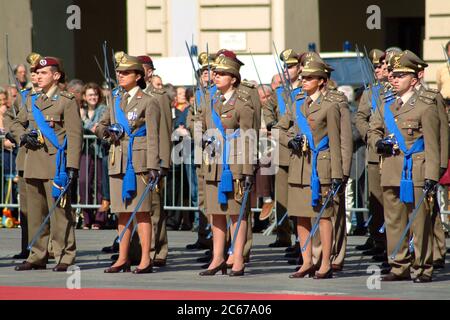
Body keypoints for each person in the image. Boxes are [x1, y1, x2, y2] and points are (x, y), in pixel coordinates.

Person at [368, 50, 440, 283]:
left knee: (419, 221)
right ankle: (399, 265)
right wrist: (378, 143)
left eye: (400, 75)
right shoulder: (386, 102)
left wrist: (432, 175)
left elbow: (433, 143)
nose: (394, 78)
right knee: (394, 220)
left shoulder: (426, 104)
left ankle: (422, 267)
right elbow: (373, 129)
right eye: (393, 74)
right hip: (390, 168)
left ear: (415, 78)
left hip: (416, 170)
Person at [12, 56, 82, 272]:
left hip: (56, 165)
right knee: (35, 214)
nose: (38, 76)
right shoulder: (32, 99)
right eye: (36, 73)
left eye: (43, 73)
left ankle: (64, 255)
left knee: (60, 213)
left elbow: (75, 134)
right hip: (32, 162)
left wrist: (72, 167)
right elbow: (16, 123)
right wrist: (23, 136)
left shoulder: (66, 100)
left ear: (56, 75)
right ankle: (37, 254)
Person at [275, 59, 343, 279]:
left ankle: (325, 262)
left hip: (320, 167)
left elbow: (336, 141)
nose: (304, 81)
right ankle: (306, 261)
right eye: (303, 77)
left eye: (309, 78)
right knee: (301, 216)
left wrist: (337, 175)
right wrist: (289, 140)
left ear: (322, 81)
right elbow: (278, 128)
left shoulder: (330, 106)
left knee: (323, 217)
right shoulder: (296, 104)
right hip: (299, 166)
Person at [96, 52, 161, 274]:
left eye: (125, 72)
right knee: (122, 212)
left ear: (137, 75)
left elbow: (153, 136)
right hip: (118, 159)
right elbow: (99, 125)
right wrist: (107, 132)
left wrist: (154, 166)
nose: (120, 76)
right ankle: (122, 257)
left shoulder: (149, 101)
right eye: (119, 72)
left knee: (142, 212)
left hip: (139, 162)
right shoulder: (115, 99)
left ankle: (145, 258)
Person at [199, 49, 255, 277]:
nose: (216, 76)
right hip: (214, 163)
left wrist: (247, 169)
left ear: (233, 78)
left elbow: (249, 138)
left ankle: (238, 257)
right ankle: (217, 257)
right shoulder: (210, 101)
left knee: (236, 214)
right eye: (216, 73)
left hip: (234, 165)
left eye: (222, 73)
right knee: (216, 213)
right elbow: (202, 129)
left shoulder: (243, 104)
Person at [262, 49, 302, 248]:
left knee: (298, 195)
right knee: (282, 196)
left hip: (298, 149)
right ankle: (283, 234)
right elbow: (267, 109)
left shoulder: (304, 90)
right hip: (281, 148)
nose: (287, 70)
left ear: (300, 68)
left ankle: (299, 238)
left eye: (291, 66)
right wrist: (271, 124)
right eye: (285, 66)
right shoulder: (278, 93)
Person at [355, 49, 391, 258]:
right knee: (376, 200)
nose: (377, 70)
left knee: (393, 201)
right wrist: (371, 137)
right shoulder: (370, 92)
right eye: (375, 66)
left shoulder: (396, 91)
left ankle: (394, 246)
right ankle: (379, 241)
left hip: (395, 153)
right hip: (375, 153)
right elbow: (360, 118)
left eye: (381, 66)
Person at [138, 54, 172, 267]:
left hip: (154, 160)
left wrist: (163, 163)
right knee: (140, 208)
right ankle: (141, 249)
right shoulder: (131, 96)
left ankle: (157, 250)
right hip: (136, 159)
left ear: (149, 72)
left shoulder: (158, 96)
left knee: (155, 209)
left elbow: (164, 131)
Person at [79, 82, 108, 229]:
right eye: (90, 94)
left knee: (100, 184)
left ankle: (100, 218)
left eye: (95, 94)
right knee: (84, 183)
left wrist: (84, 120)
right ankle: (87, 217)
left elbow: (96, 128)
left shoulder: (103, 109)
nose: (93, 97)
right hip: (85, 151)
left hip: (99, 150)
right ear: (84, 97)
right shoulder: (81, 110)